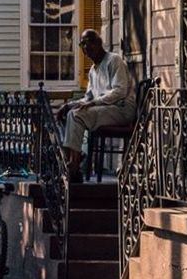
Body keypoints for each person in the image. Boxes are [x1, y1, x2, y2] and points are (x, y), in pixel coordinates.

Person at [57, 30, 135, 179]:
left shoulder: (114, 60)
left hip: (122, 109)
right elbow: (88, 98)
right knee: (68, 114)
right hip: (104, 109)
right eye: (82, 44)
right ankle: (70, 160)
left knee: (76, 115)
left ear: (99, 43)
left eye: (89, 42)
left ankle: (73, 166)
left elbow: (119, 91)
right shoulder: (93, 70)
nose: (86, 47)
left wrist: (94, 103)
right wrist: (68, 106)